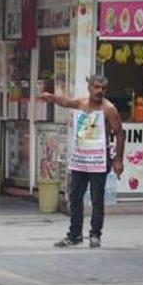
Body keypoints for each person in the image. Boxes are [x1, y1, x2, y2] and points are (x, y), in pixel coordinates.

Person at [40, 74, 124, 248]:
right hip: (81, 159)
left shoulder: (109, 109)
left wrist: (118, 160)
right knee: (75, 196)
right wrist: (52, 98)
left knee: (96, 198)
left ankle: (95, 234)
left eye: (103, 88)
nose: (99, 91)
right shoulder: (82, 103)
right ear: (89, 88)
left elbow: (119, 133)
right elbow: (66, 102)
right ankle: (74, 234)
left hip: (99, 160)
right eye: (96, 87)